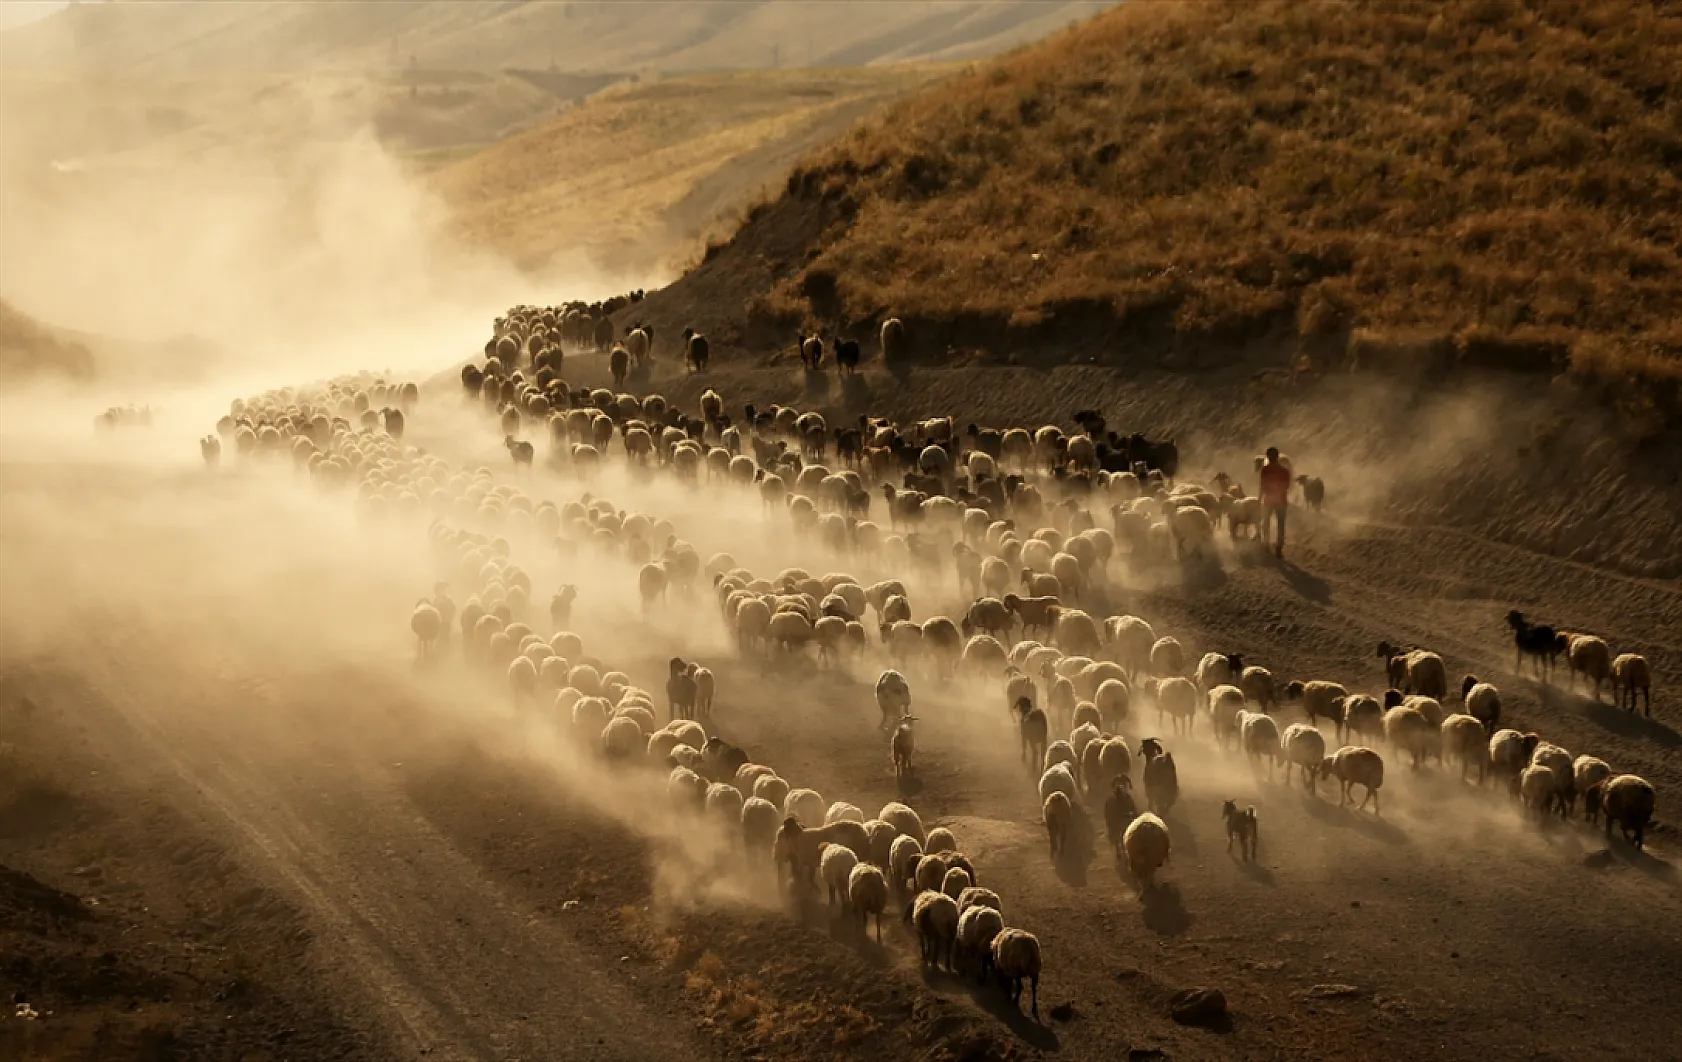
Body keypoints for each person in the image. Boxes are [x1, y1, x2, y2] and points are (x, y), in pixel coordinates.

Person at [1258, 446, 1292, 558]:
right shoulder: (1285, 471)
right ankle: (1279, 547)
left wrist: (1260, 498)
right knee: (1281, 524)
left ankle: (1266, 544)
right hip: (1281, 500)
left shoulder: (1265, 469)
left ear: (1267, 457)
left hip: (1268, 500)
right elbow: (1287, 486)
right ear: (1277, 457)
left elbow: (1262, 485)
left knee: (1266, 522)